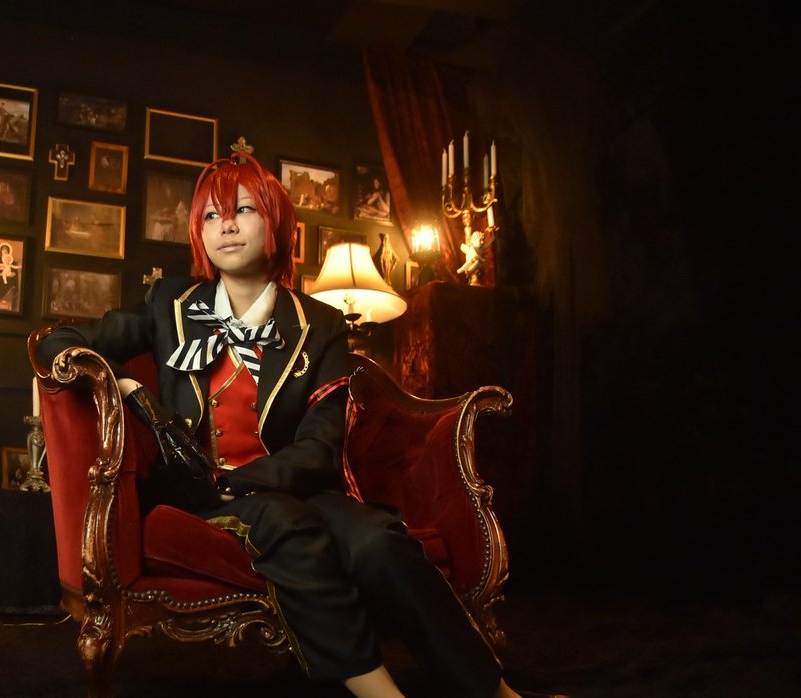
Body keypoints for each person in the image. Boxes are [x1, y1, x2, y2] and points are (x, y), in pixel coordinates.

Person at [37, 154, 521, 698]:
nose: (226, 225)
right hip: (204, 494)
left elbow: (320, 446)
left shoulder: (320, 323)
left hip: (295, 485)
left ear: (277, 224)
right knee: (287, 526)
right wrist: (125, 384)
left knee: (379, 542)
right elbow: (59, 341)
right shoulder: (169, 303)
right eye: (211, 215)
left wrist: (245, 479)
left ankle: (496, 692)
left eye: (243, 210)